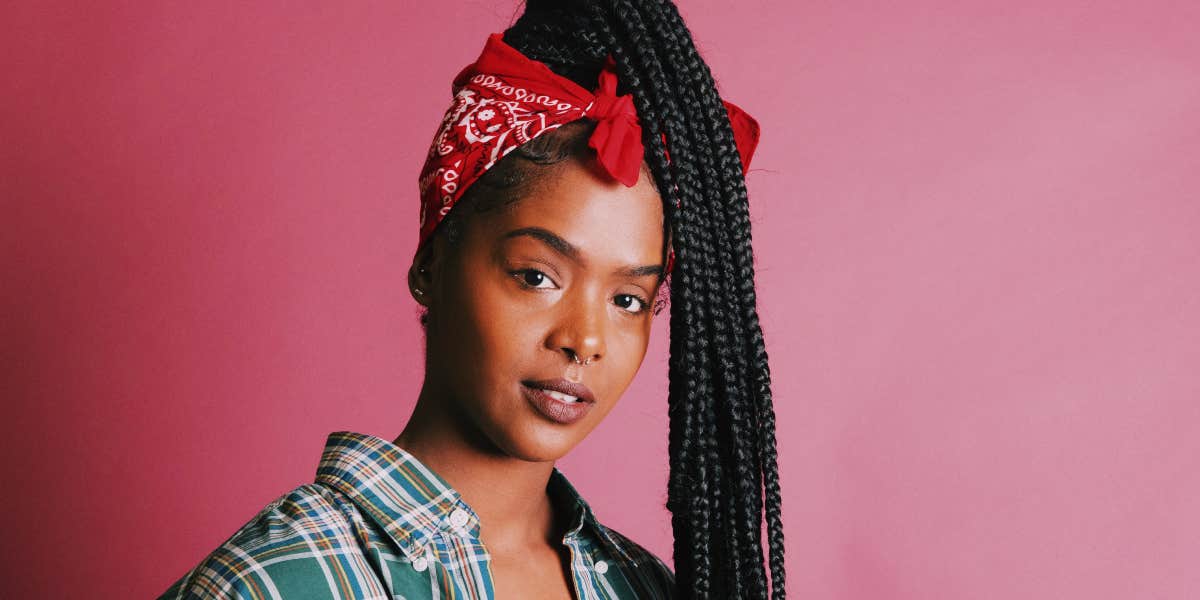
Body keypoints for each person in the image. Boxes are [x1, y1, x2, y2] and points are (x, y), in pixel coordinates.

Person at [160, 0, 784, 598]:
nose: (585, 339)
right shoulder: (271, 585)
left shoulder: (641, 587)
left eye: (629, 300)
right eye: (537, 276)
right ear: (431, 261)